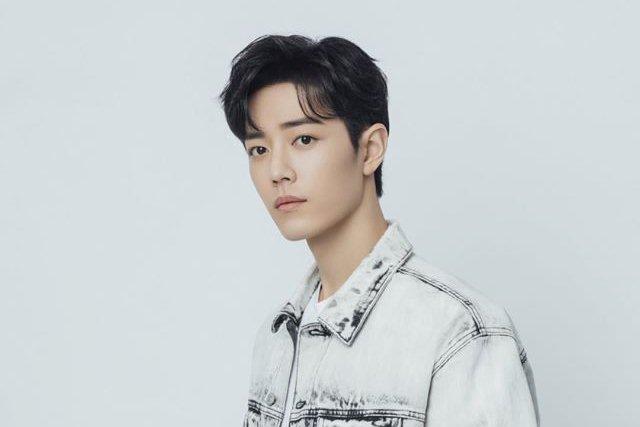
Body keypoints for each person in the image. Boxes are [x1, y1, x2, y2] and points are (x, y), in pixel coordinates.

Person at [218, 34, 540, 427]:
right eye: (259, 149)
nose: (277, 171)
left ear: (370, 149)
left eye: (303, 139)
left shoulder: (459, 333)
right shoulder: (278, 337)